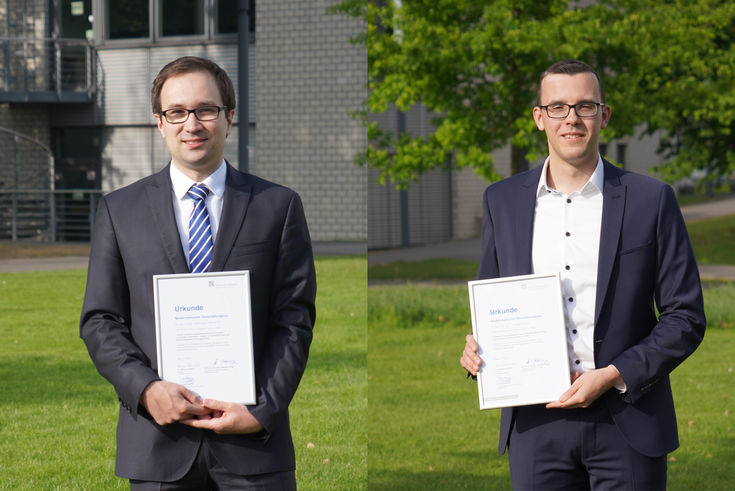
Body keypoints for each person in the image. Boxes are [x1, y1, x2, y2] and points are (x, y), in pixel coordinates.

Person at [459, 60, 705, 490]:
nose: (571, 118)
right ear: (539, 118)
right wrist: (478, 350)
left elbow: (685, 316)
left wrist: (613, 374)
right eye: (557, 107)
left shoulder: (652, 200)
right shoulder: (502, 201)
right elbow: (496, 300)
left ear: (604, 115)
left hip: (629, 417)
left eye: (584, 106)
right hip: (535, 424)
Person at [80, 56, 316, 490]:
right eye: (177, 112)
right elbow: (101, 321)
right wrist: (147, 390)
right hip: (157, 443)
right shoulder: (119, 211)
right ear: (160, 122)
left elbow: (293, 320)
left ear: (229, 118)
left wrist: (261, 410)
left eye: (206, 110)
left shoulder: (277, 207)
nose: (192, 124)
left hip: (253, 446)